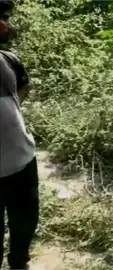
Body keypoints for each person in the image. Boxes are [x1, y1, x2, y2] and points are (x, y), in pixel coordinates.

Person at [0, 1, 39, 269]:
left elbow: (23, 89)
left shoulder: (8, 59)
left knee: (25, 221)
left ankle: (19, 261)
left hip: (22, 160)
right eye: (1, 18)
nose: (7, 25)